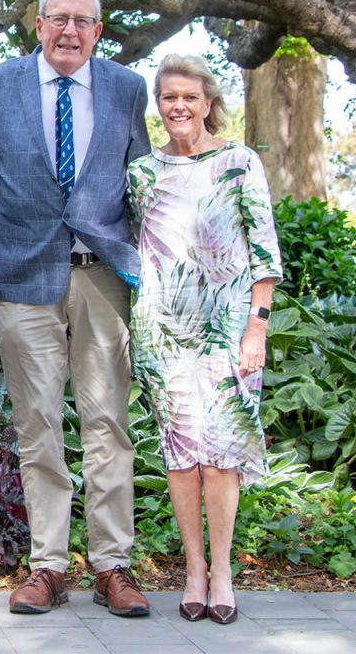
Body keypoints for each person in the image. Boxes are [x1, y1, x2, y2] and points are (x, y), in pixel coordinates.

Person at [0, 0, 153, 617]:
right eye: (58, 19)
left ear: (99, 31)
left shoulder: (128, 88)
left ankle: (112, 565)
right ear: (38, 25)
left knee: (108, 422)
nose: (70, 31)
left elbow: (141, 181)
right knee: (38, 423)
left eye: (84, 21)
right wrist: (1, 257)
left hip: (101, 275)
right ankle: (48, 565)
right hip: (24, 276)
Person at [127, 54, 281, 625]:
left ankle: (222, 572)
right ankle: (192, 569)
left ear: (209, 102)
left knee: (220, 456)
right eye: (169, 97)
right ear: (159, 105)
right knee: (181, 454)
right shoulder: (143, 173)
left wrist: (257, 328)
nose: (179, 107)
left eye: (190, 97)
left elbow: (264, 252)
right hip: (164, 330)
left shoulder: (239, 162)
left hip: (229, 329)